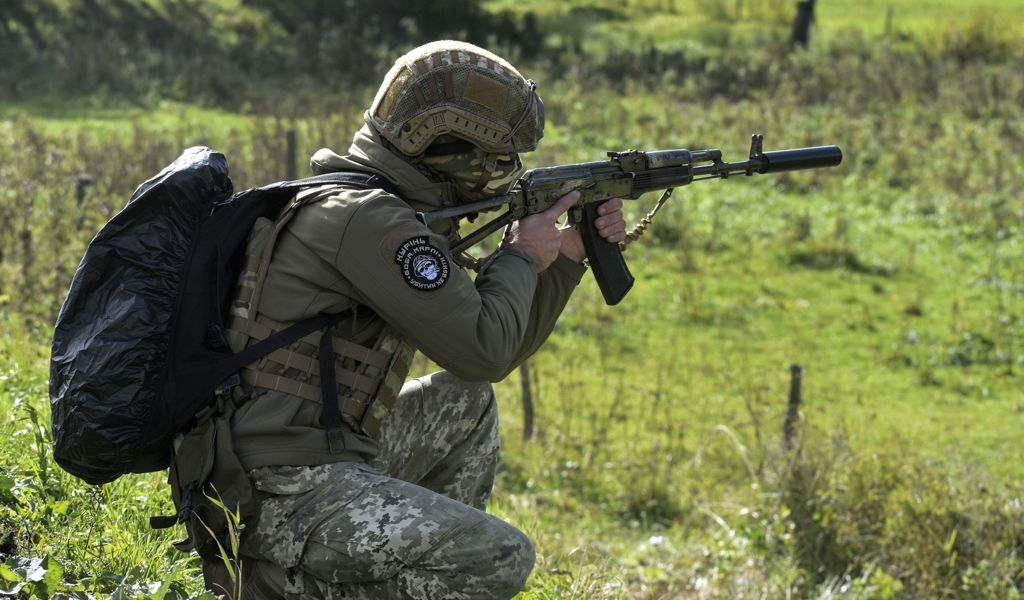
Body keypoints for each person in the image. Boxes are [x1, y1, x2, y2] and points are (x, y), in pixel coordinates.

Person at [195, 40, 627, 599]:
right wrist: (520, 256)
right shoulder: (368, 219)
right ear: (443, 146)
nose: (501, 175)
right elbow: (485, 348)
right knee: (501, 555)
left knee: (466, 402)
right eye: (494, 159)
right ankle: (282, 584)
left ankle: (412, 568)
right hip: (275, 491)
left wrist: (562, 259)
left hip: (313, 460)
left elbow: (494, 351)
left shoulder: (375, 206)